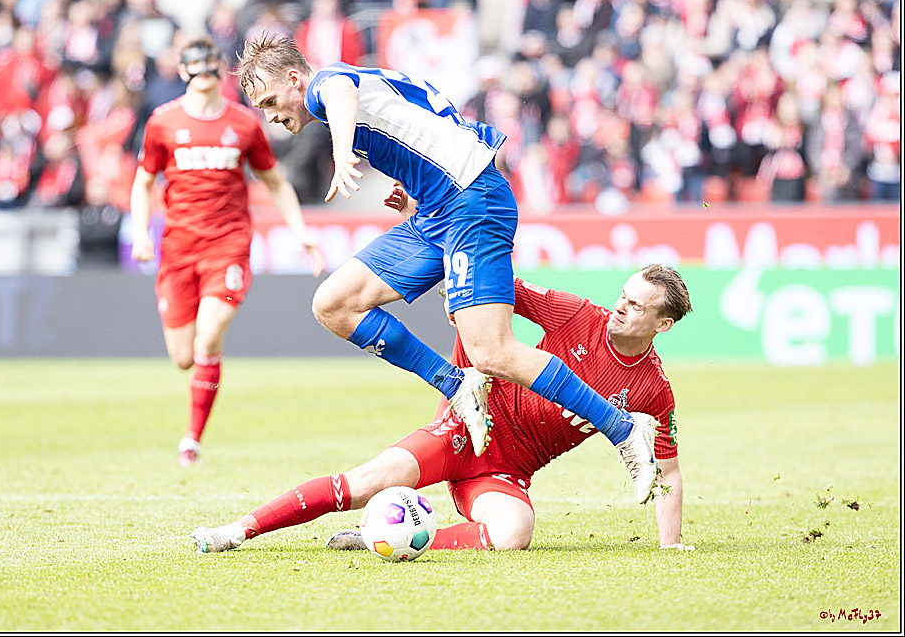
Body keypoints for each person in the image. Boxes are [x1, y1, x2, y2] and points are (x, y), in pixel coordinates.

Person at [234, 34, 660, 503]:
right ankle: (456, 385)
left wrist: (340, 153)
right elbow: (439, 118)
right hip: (437, 210)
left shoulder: (327, 86)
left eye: (271, 100)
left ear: (295, 79)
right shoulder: (367, 82)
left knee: (493, 352)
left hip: (470, 204)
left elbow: (338, 93)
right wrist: (414, 186)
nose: (271, 115)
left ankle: (623, 429)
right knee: (333, 305)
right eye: (262, 107)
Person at [191, 264, 694, 554]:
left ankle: (385, 536)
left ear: (662, 325)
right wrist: (463, 303)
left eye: (635, 305)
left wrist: (669, 546)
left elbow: (667, 470)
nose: (619, 307)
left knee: (515, 533)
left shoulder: (654, 388)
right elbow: (500, 291)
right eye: (622, 296)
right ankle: (236, 532)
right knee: (364, 483)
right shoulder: (578, 313)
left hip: (504, 472)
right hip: (466, 425)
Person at [131, 37, 325, 467]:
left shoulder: (243, 123)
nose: (202, 69)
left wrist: (301, 232)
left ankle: (192, 440)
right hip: (178, 249)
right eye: (194, 63)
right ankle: (199, 398)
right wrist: (141, 233)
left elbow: (275, 182)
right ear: (182, 71)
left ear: (221, 67)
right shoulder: (162, 122)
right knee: (184, 357)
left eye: (209, 61)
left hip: (228, 245)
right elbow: (144, 182)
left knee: (209, 334)